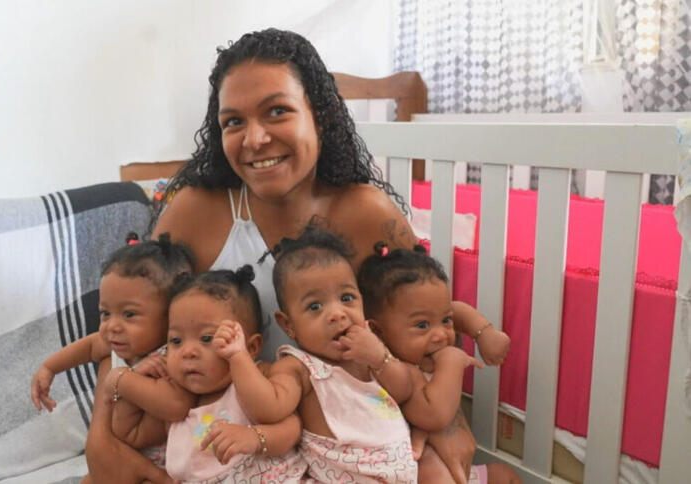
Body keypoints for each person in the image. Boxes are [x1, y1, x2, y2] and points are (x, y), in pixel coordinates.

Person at [100, 27, 495, 482]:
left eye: (277, 112)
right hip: (229, 437)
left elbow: (424, 326)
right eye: (233, 122)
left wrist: (445, 423)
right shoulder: (194, 210)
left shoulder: (366, 211)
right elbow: (133, 327)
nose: (255, 139)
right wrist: (102, 429)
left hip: (348, 432)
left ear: (320, 116)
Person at [212, 228, 482, 481]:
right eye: (315, 306)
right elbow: (269, 409)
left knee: (441, 470)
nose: (337, 314)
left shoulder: (374, 350)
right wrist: (239, 357)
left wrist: (380, 358)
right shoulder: (300, 368)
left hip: (404, 469)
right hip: (342, 476)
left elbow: (405, 390)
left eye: (347, 298)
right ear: (288, 324)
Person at [104, 266, 307, 482]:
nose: (188, 352)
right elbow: (130, 432)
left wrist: (255, 438)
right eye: (175, 341)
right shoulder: (176, 404)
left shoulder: (255, 377)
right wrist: (129, 378)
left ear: (252, 346)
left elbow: (292, 427)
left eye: (207, 338)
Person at [29, 232, 193, 482]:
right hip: (113, 457)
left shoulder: (169, 359)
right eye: (105, 313)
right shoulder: (117, 345)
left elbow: (173, 408)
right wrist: (49, 368)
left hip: (159, 466)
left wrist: (127, 380)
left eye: (129, 315)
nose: (112, 326)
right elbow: (88, 347)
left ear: (171, 313)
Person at [357, 243, 522, 484]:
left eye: (445, 321)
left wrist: (484, 333)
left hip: (456, 468)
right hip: (419, 472)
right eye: (422, 325)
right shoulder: (393, 370)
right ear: (378, 332)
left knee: (505, 476)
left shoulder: (425, 351)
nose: (442, 335)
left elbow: (456, 309)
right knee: (431, 467)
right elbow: (435, 416)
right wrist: (452, 362)